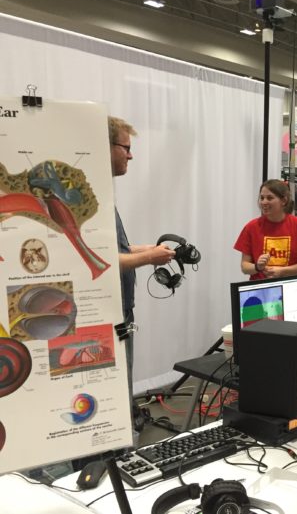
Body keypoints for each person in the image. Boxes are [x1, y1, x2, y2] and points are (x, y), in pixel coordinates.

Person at [110, 116, 175, 407]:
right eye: (126, 147)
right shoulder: (86, 196)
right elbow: (97, 261)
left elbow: (111, 249)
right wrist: (149, 257)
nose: (130, 155)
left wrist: (143, 250)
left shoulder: (98, 193)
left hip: (122, 310)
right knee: (115, 390)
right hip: (109, 315)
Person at [234, 179, 297, 280]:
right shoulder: (251, 227)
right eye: (262, 198)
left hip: (291, 287)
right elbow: (244, 266)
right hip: (261, 288)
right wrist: (257, 267)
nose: (264, 202)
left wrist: (282, 271)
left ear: (284, 201)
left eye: (269, 198)